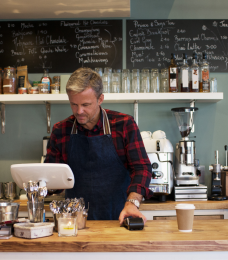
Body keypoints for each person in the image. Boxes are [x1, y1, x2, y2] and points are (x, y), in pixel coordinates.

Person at [44, 67, 152, 224]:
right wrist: (42, 185)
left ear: (100, 99)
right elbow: (53, 179)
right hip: (74, 223)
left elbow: (142, 168)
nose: (79, 111)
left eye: (86, 104)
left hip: (119, 218)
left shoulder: (123, 124)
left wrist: (133, 202)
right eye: (74, 104)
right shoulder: (61, 130)